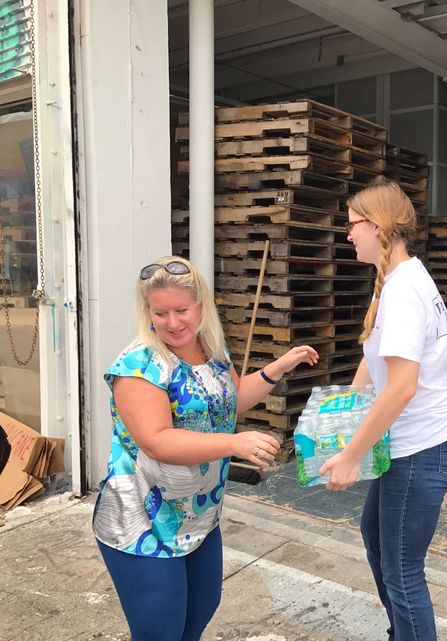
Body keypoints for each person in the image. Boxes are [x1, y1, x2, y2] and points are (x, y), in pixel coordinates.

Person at [92, 256, 319, 641]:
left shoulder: (210, 349)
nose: (173, 322)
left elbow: (230, 399)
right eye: (160, 312)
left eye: (181, 310)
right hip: (142, 521)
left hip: (198, 515)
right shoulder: (138, 366)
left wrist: (278, 368)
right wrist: (234, 443)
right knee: (160, 630)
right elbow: (157, 440)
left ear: (201, 307)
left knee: (200, 611)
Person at [319, 181, 447, 641]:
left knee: (403, 570)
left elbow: (402, 388)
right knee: (376, 538)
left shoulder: (404, 289)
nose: (348, 234)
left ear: (379, 226)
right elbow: (374, 357)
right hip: (411, 444)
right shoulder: (395, 279)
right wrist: (339, 415)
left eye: (352, 224)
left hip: (422, 448)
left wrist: (350, 456)